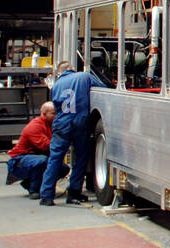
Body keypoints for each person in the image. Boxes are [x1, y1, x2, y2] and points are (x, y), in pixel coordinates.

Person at [38, 61, 107, 206]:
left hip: (62, 123)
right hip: (79, 123)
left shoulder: (56, 85)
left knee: (55, 158)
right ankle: (74, 193)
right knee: (80, 158)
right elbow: (104, 90)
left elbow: (56, 106)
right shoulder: (83, 77)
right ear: (72, 69)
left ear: (59, 73)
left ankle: (46, 196)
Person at [6, 102, 67, 196]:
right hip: (19, 161)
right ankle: (34, 190)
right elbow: (46, 145)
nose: (56, 116)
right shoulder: (34, 126)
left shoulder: (51, 125)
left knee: (63, 168)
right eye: (53, 113)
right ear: (44, 113)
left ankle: (31, 183)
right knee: (42, 161)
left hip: (35, 159)